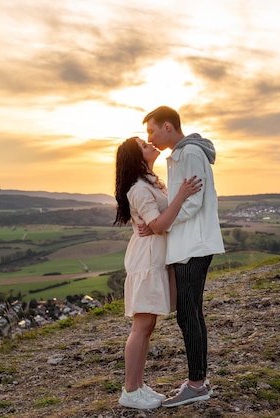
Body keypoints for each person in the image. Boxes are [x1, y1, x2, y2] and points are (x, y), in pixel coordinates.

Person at [142, 106, 225, 408]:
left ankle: (197, 384)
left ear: (167, 126)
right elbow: (183, 200)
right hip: (188, 245)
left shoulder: (189, 154)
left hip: (194, 245)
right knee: (189, 314)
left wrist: (162, 223)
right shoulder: (179, 155)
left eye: (151, 130)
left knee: (189, 315)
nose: (149, 136)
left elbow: (193, 203)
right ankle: (197, 381)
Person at [114, 136, 202, 410]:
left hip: (154, 258)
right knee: (141, 326)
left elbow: (158, 224)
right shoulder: (138, 189)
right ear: (135, 157)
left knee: (147, 325)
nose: (150, 145)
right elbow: (160, 225)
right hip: (146, 261)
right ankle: (130, 391)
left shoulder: (148, 182)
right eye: (143, 145)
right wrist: (182, 195)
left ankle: (137, 386)